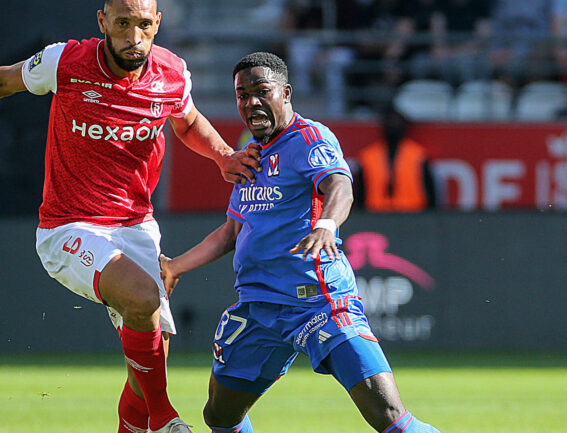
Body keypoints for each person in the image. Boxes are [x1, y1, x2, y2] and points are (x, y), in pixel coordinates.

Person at [0, 1, 261, 433]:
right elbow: (2, 80)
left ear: (158, 24)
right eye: (123, 23)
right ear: (102, 22)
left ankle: (146, 418)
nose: (133, 37)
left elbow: (185, 122)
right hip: (69, 227)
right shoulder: (66, 61)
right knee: (143, 298)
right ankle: (165, 418)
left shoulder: (171, 72)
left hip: (136, 227)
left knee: (148, 359)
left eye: (144, 25)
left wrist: (223, 154)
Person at [160, 52, 440, 433]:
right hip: (258, 308)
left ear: (286, 93)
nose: (251, 102)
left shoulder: (309, 137)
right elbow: (230, 233)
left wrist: (327, 224)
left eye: (262, 91)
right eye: (242, 95)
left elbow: (340, 184)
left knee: (388, 416)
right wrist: (176, 266)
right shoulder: (251, 158)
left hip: (318, 302)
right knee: (219, 416)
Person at [353, 106, 436, 212]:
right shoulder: (368, 157)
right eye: (390, 121)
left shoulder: (418, 156)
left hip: (413, 216)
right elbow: (359, 193)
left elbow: (430, 194)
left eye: (397, 122)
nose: (393, 125)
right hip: (375, 215)